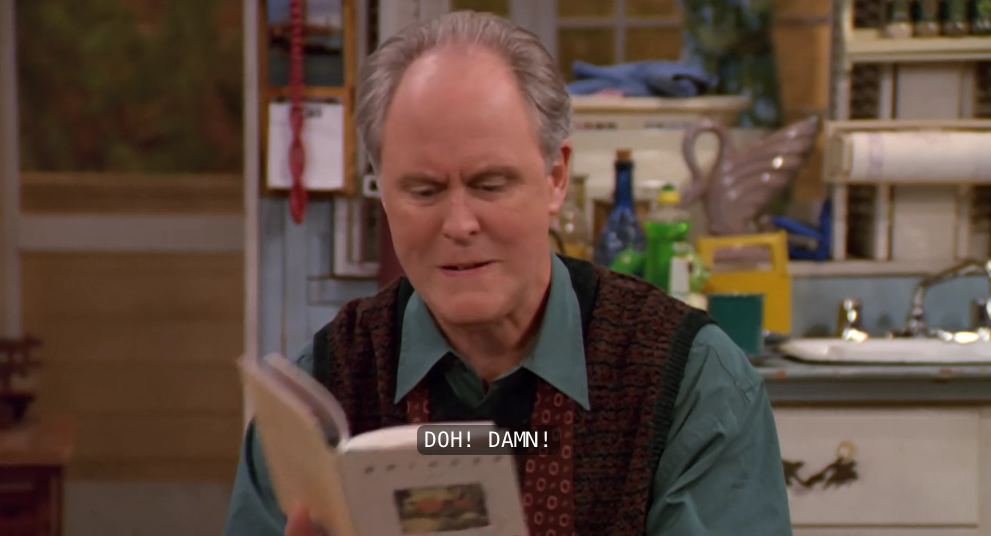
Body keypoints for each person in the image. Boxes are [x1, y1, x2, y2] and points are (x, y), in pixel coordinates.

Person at [223, 10, 792, 536]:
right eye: (424, 191)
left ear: (556, 178)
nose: (459, 224)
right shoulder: (328, 383)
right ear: (384, 194)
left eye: (491, 185)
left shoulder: (691, 381)